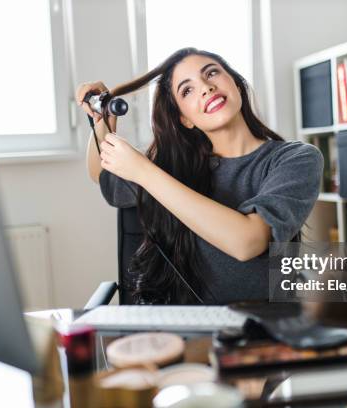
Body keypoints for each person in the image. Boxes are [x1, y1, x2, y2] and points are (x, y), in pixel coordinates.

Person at [75, 48, 323, 305]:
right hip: (191, 325)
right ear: (185, 118)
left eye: (212, 72)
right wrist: (102, 116)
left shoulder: (296, 158)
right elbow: (101, 173)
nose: (205, 87)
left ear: (236, 83)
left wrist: (144, 172)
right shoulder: (174, 168)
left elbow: (248, 242)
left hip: (267, 326)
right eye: (187, 90)